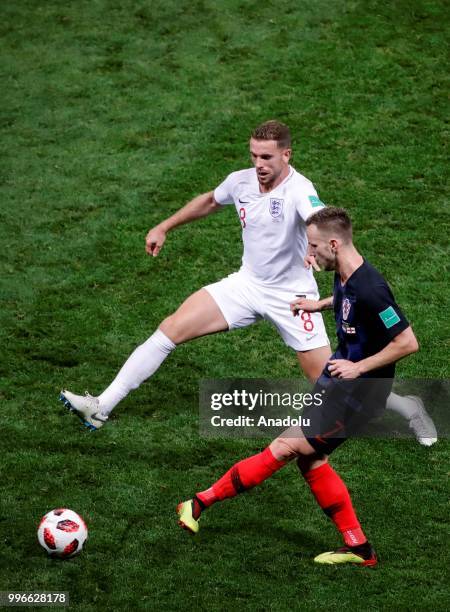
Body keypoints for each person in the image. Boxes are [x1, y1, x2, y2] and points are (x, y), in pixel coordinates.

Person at [59, 121, 436, 445]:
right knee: (170, 329)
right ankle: (101, 407)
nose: (258, 164)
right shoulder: (240, 182)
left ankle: (408, 406)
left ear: (286, 155)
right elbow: (209, 201)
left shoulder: (300, 189)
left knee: (330, 377)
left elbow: (318, 216)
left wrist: (311, 247)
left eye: (267, 157)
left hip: (292, 297)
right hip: (246, 285)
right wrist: (164, 226)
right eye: (254, 155)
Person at [177, 207, 421, 567]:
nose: (309, 256)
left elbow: (407, 342)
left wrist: (359, 367)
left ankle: (198, 502)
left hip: (355, 396)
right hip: (338, 385)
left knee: (283, 447)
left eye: (313, 247)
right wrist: (319, 304)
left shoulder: (372, 288)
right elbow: (350, 304)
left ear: (334, 244)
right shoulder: (345, 274)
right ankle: (359, 548)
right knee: (311, 460)